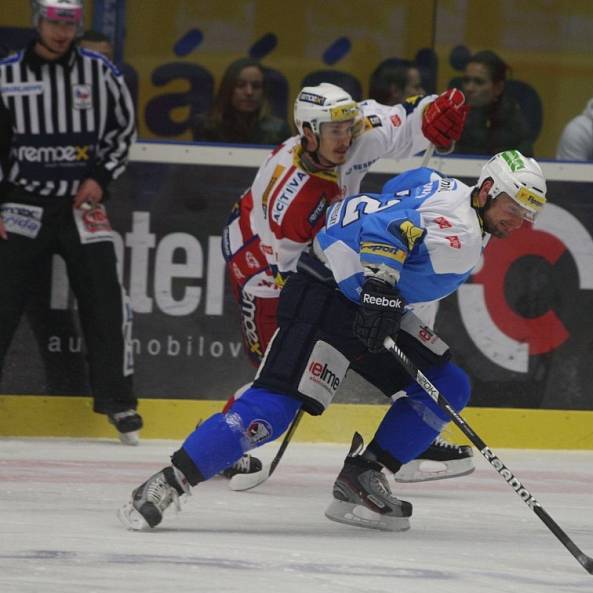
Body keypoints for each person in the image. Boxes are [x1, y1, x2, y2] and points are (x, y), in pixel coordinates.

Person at [118, 149, 548, 532]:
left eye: (530, 213)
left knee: (447, 384)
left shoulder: (446, 186)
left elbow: (401, 187)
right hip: (325, 294)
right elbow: (386, 226)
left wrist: (379, 292)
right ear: (489, 189)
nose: (521, 220)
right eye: (515, 206)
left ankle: (364, 473)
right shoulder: (462, 234)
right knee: (271, 410)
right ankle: (168, 481)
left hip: (369, 300)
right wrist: (380, 284)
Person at [217, 82, 473, 487]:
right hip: (263, 267)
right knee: (280, 366)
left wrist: (433, 113)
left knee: (408, 300)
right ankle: (224, 442)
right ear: (308, 133)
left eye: (347, 128)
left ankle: (412, 436)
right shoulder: (290, 194)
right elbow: (294, 272)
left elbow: (404, 122)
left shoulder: (355, 131)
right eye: (333, 131)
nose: (345, 138)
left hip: (331, 239)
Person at [0, 0, 140, 443]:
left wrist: (100, 177)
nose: (62, 32)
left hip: (82, 205)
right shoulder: (5, 75)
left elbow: (123, 130)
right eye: (54, 22)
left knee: (104, 299)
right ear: (38, 22)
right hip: (23, 203)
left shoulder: (101, 73)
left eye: (70, 23)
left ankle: (118, 402)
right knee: (2, 302)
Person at [192, 58, 291, 145]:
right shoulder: (207, 126)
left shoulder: (278, 131)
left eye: (256, 86)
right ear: (228, 89)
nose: (249, 92)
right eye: (240, 85)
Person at [454, 50, 533, 156]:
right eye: (466, 80)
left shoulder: (514, 125)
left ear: (498, 88)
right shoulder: (452, 118)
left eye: (479, 82)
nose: (469, 88)